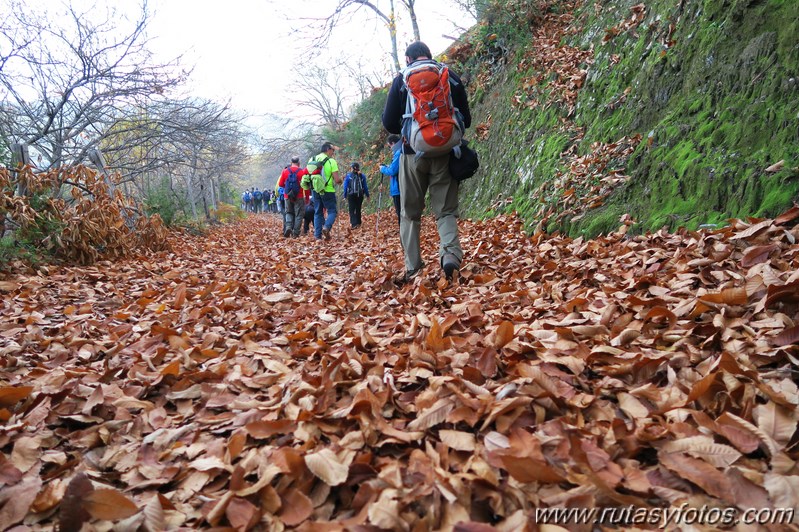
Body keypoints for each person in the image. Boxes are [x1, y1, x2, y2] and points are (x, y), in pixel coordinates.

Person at [382, 41, 472, 282]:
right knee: (445, 211)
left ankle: (413, 268)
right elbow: (467, 117)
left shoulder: (402, 79)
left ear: (409, 59)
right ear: (429, 56)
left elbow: (389, 123)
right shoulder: (447, 74)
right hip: (445, 153)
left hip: (412, 155)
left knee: (410, 214)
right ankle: (450, 255)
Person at [305, 142, 341, 241]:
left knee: (318, 212)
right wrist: (340, 181)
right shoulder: (331, 161)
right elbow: (337, 180)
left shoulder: (312, 159)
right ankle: (326, 227)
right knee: (332, 211)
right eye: (332, 150)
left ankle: (317, 236)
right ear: (328, 149)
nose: (333, 152)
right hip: (328, 190)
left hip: (315, 190)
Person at [278, 156, 308, 237]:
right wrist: (307, 197)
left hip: (287, 196)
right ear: (299, 163)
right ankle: (296, 233)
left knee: (289, 212)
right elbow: (306, 186)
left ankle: (288, 227)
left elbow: (280, 184)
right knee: (299, 215)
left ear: (291, 163)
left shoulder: (285, 171)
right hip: (299, 196)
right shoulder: (302, 171)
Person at [380, 134, 402, 230]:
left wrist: (382, 168)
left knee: (400, 212)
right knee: (402, 211)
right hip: (400, 187)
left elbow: (393, 170)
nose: (390, 148)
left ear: (393, 143)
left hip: (398, 188)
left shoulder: (399, 152)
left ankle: (404, 232)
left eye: (390, 146)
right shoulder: (402, 150)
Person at [343, 162, 369, 228]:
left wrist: (345, 195)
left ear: (352, 168)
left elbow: (345, 186)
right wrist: (367, 195)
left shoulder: (348, 176)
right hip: (360, 195)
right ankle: (359, 222)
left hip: (351, 195)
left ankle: (353, 224)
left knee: (351, 209)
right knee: (358, 208)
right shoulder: (362, 176)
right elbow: (365, 186)